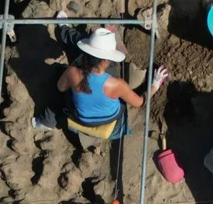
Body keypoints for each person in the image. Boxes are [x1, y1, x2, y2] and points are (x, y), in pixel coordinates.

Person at [34, 26, 166, 137]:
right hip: (110, 117)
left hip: (81, 117)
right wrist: (155, 84)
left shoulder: (72, 72)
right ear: (107, 60)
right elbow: (139, 102)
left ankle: (45, 121)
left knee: (59, 92)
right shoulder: (117, 84)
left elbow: (60, 88)